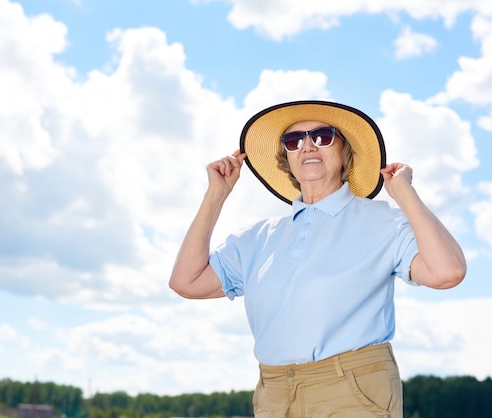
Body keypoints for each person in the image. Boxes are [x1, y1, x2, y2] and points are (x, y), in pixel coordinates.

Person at [169, 100, 466, 417]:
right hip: (273, 392)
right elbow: (186, 281)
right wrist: (216, 195)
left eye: (322, 135)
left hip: (352, 389)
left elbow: (447, 272)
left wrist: (405, 194)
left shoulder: (383, 220)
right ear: (287, 158)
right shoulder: (255, 238)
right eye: (294, 141)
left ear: (344, 150)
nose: (308, 146)